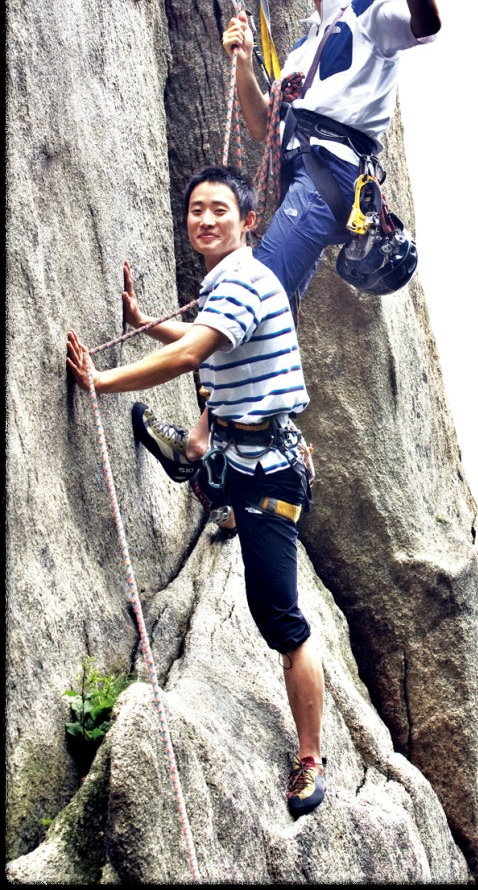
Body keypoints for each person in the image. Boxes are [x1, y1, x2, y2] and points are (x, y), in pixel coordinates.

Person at [135, 0, 441, 470]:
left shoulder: (370, 12)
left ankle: (199, 443)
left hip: (332, 175)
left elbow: (426, 24)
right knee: (269, 308)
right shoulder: (301, 49)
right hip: (305, 176)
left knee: (254, 287)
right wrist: (243, 63)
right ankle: (235, 450)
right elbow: (260, 125)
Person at [66, 165, 327, 816]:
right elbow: (204, 341)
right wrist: (146, 323)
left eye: (219, 210)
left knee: (278, 616)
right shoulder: (225, 283)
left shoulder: (242, 281)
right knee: (200, 454)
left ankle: (310, 759)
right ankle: (192, 461)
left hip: (268, 473)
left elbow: (191, 355)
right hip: (238, 452)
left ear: (247, 222)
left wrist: (101, 379)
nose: (205, 220)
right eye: (195, 210)